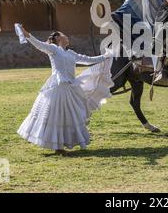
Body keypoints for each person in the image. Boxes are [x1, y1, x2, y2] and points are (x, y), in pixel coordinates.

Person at [17, 26, 113, 155]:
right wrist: (27, 34)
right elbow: (39, 45)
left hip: (70, 88)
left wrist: (105, 56)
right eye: (63, 35)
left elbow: (87, 60)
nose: (67, 37)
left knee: (70, 116)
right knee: (57, 116)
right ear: (57, 38)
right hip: (58, 88)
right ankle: (58, 147)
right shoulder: (54, 49)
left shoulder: (71, 53)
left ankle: (62, 144)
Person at [111, 0, 168, 85]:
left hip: (160, 22)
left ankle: (163, 70)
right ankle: (151, 66)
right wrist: (114, 17)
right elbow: (122, 11)